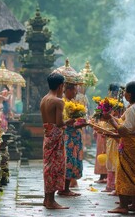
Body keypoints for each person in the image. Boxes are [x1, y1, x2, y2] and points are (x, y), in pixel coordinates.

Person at [105, 81, 135, 214]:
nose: (124, 94)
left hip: (130, 144)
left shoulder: (132, 109)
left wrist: (111, 120)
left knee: (125, 172)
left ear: (130, 95)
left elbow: (124, 129)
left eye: (125, 92)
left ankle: (123, 205)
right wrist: (113, 118)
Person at [40, 72, 73, 209]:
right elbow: (59, 123)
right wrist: (69, 122)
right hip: (56, 135)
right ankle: (50, 201)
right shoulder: (58, 101)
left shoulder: (44, 99)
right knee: (56, 166)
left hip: (47, 134)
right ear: (61, 86)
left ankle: (47, 199)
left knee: (49, 165)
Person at [58, 83, 85, 196]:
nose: (75, 93)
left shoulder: (74, 102)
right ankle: (64, 189)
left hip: (75, 135)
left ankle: (66, 187)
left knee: (73, 161)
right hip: (68, 135)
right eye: (74, 90)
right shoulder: (62, 103)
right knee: (68, 160)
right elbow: (62, 121)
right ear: (68, 90)